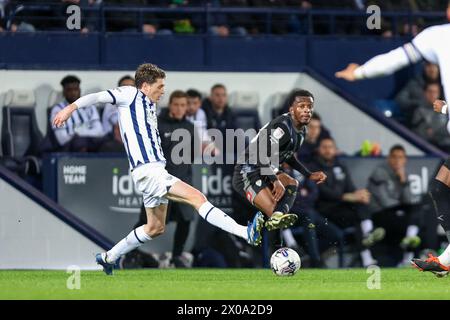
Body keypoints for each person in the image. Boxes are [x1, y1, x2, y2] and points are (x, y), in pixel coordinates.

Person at [52, 63, 264, 275]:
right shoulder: (130, 94)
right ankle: (246, 233)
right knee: (197, 198)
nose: (163, 91)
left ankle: (109, 257)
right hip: (149, 171)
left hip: (152, 171)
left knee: (155, 228)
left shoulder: (150, 106)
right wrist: (70, 109)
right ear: (145, 85)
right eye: (160, 86)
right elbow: (97, 97)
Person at [335, 2, 450, 276]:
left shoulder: (438, 36)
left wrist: (359, 72)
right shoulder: (438, 36)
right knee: (439, 188)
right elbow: (397, 58)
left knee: (441, 188)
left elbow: (395, 59)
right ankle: (446, 258)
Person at [232, 89, 327, 232]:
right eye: (302, 106)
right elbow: (259, 155)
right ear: (291, 109)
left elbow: (287, 155)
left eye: (309, 107)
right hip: (248, 171)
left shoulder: (302, 132)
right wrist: (275, 180)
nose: (307, 110)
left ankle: (277, 219)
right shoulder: (282, 127)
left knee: (291, 184)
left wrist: (308, 174)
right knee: (272, 211)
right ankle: (273, 241)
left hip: (267, 169)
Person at [309, 137, 385, 267]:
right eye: (324, 147)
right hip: (324, 210)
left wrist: (359, 195)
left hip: (342, 208)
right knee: (357, 218)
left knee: (361, 207)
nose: (328, 150)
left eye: (330, 147)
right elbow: (322, 192)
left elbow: (350, 188)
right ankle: (367, 244)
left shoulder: (340, 166)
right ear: (319, 150)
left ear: (335, 150)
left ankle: (367, 240)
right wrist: (344, 197)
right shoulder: (313, 168)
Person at [367, 145, 424, 266]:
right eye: (394, 157)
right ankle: (408, 249)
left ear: (405, 160)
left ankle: (410, 239)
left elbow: (409, 200)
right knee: (407, 219)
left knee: (419, 209)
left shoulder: (404, 174)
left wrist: (403, 182)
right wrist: (402, 209)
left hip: (396, 211)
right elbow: (384, 201)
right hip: (379, 213)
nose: (397, 160)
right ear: (389, 158)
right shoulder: (379, 173)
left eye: (400, 157)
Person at [50, 75, 104, 152]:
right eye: (69, 90)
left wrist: (78, 133)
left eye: (76, 89)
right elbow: (62, 139)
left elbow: (99, 131)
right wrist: (80, 137)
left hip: (91, 142)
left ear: (80, 90)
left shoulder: (89, 106)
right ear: (64, 92)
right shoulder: (58, 110)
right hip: (69, 147)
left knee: (107, 144)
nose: (73, 93)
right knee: (79, 143)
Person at [411, 82, 450, 152]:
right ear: (425, 93)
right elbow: (420, 133)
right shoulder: (418, 111)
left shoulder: (447, 109)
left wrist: (434, 131)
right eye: (430, 91)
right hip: (430, 148)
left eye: (435, 92)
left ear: (439, 93)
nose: (432, 94)